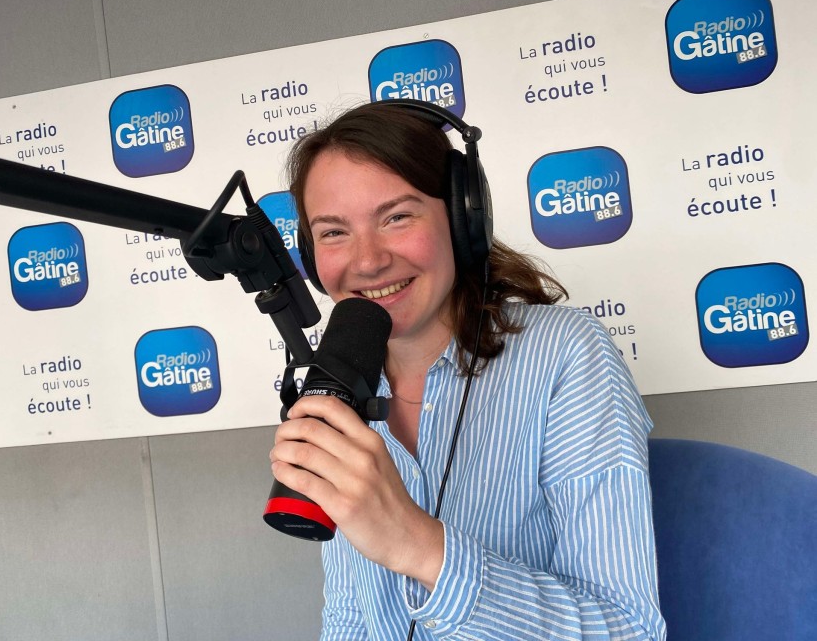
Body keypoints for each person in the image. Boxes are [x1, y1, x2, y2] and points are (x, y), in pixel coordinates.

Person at [268, 101, 666, 641]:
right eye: (334, 232)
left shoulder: (565, 355)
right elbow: (350, 618)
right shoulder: (336, 385)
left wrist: (417, 544)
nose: (367, 261)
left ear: (462, 220)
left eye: (396, 217)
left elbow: (629, 630)